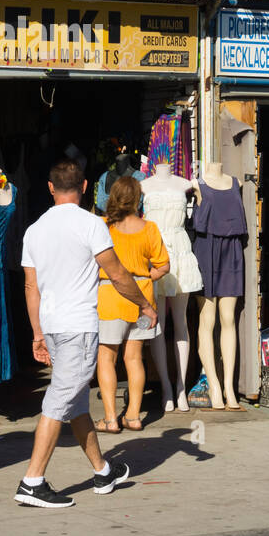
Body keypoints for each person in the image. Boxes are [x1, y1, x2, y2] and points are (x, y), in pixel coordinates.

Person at [15, 159, 157, 508]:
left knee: (76, 401)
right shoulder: (91, 224)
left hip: (51, 324)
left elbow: (30, 286)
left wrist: (36, 333)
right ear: (85, 186)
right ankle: (32, 481)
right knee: (60, 398)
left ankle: (102, 469)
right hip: (78, 326)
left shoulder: (34, 229)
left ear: (50, 188)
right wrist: (145, 305)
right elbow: (119, 274)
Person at [95, 176, 169, 433]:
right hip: (143, 296)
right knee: (135, 357)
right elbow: (164, 266)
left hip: (110, 296)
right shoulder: (150, 228)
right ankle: (134, 416)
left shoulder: (103, 226)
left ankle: (110, 418)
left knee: (106, 357)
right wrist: (146, 276)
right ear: (138, 199)